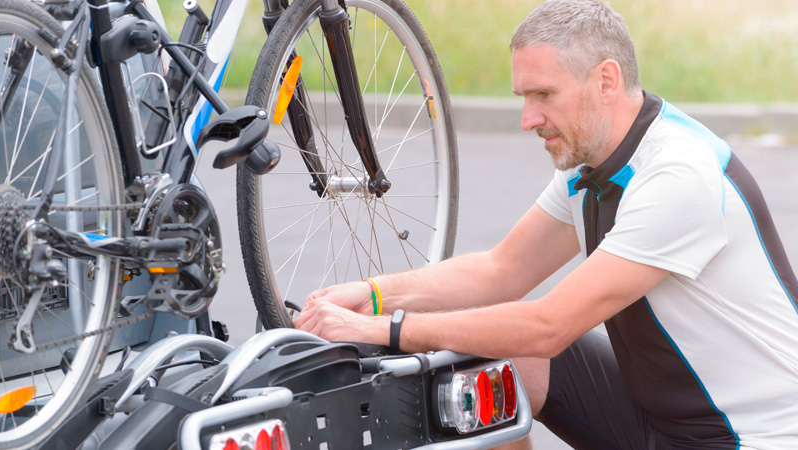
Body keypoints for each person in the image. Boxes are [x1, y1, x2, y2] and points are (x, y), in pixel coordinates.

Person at [294, 0, 798, 448]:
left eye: (544, 95)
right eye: (522, 98)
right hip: (659, 421)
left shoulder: (679, 176)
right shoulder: (594, 160)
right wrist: (371, 293)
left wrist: (384, 329)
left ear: (606, 80)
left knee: (507, 337)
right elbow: (500, 270)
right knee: (475, 355)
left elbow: (548, 326)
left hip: (748, 437)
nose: (528, 119)